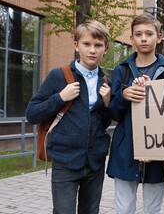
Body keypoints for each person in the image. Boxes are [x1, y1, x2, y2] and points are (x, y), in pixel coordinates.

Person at [25, 20, 112, 214]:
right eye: (86, 44)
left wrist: (107, 104)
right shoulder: (59, 75)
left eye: (98, 45)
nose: (92, 50)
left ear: (105, 49)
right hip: (65, 161)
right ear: (76, 45)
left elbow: (103, 123)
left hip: (95, 163)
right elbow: (32, 114)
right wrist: (60, 97)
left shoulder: (105, 81)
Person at [106, 13, 164, 214]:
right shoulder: (121, 70)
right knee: (124, 208)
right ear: (132, 38)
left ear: (159, 37)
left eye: (149, 33)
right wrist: (124, 95)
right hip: (125, 150)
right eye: (138, 34)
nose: (144, 38)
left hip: (158, 150)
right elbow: (114, 113)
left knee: (153, 208)